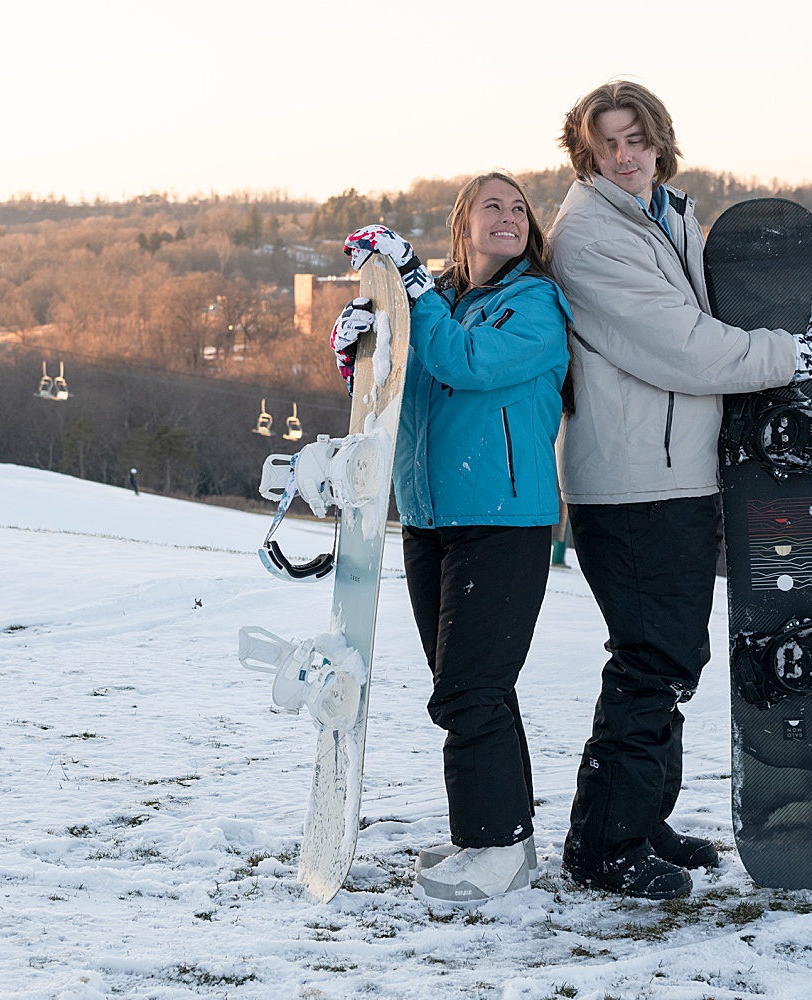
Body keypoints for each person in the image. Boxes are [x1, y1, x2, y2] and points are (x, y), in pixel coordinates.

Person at [547, 81, 812, 899]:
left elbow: (724, 313)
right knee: (651, 662)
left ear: (659, 141)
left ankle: (639, 821)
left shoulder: (663, 213)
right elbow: (686, 349)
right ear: (587, 151)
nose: (625, 156)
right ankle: (604, 849)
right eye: (609, 143)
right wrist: (802, 356)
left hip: (674, 476)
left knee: (672, 659)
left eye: (637, 139)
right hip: (631, 485)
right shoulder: (589, 236)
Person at [328, 172, 571, 904]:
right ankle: (508, 842)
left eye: (518, 207)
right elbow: (405, 393)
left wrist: (414, 293)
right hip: (431, 518)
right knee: (476, 691)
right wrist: (363, 352)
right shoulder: (440, 305)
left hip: (503, 519)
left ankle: (490, 848)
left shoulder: (536, 305)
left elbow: (464, 364)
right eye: (490, 206)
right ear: (462, 225)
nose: (507, 217)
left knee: (468, 692)